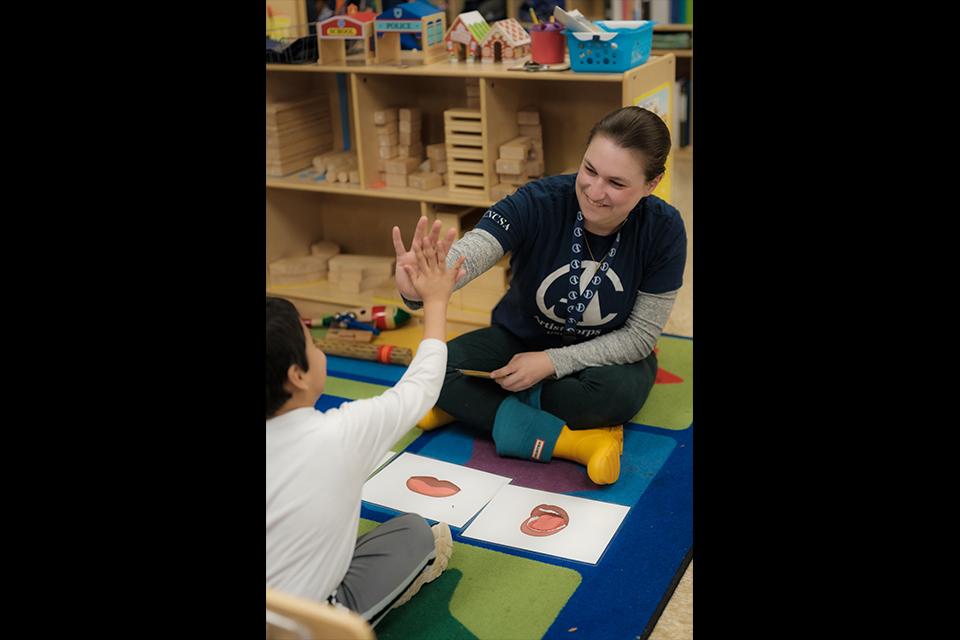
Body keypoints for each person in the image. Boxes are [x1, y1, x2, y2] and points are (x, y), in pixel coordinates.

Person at [392, 106, 686, 485]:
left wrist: (549, 362)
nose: (595, 192)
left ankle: (473, 407)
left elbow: (639, 338)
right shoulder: (538, 200)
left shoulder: (664, 230)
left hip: (606, 357)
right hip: (519, 337)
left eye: (616, 183)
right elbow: (476, 249)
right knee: (432, 368)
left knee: (612, 397)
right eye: (590, 170)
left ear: (652, 183)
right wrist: (417, 283)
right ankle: (570, 442)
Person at [266, 228, 466, 627]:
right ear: (297, 376)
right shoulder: (341, 434)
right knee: (416, 534)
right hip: (305, 625)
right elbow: (421, 386)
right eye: (313, 344)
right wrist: (436, 300)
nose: (319, 349)